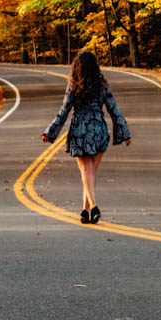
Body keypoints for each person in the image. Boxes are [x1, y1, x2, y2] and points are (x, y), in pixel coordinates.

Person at [41, 50, 131, 224]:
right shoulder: (102, 85)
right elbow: (114, 109)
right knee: (90, 173)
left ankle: (94, 207)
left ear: (77, 67)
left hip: (80, 131)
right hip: (98, 130)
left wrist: (49, 132)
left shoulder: (73, 85)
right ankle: (85, 211)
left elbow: (64, 111)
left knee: (86, 172)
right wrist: (125, 132)